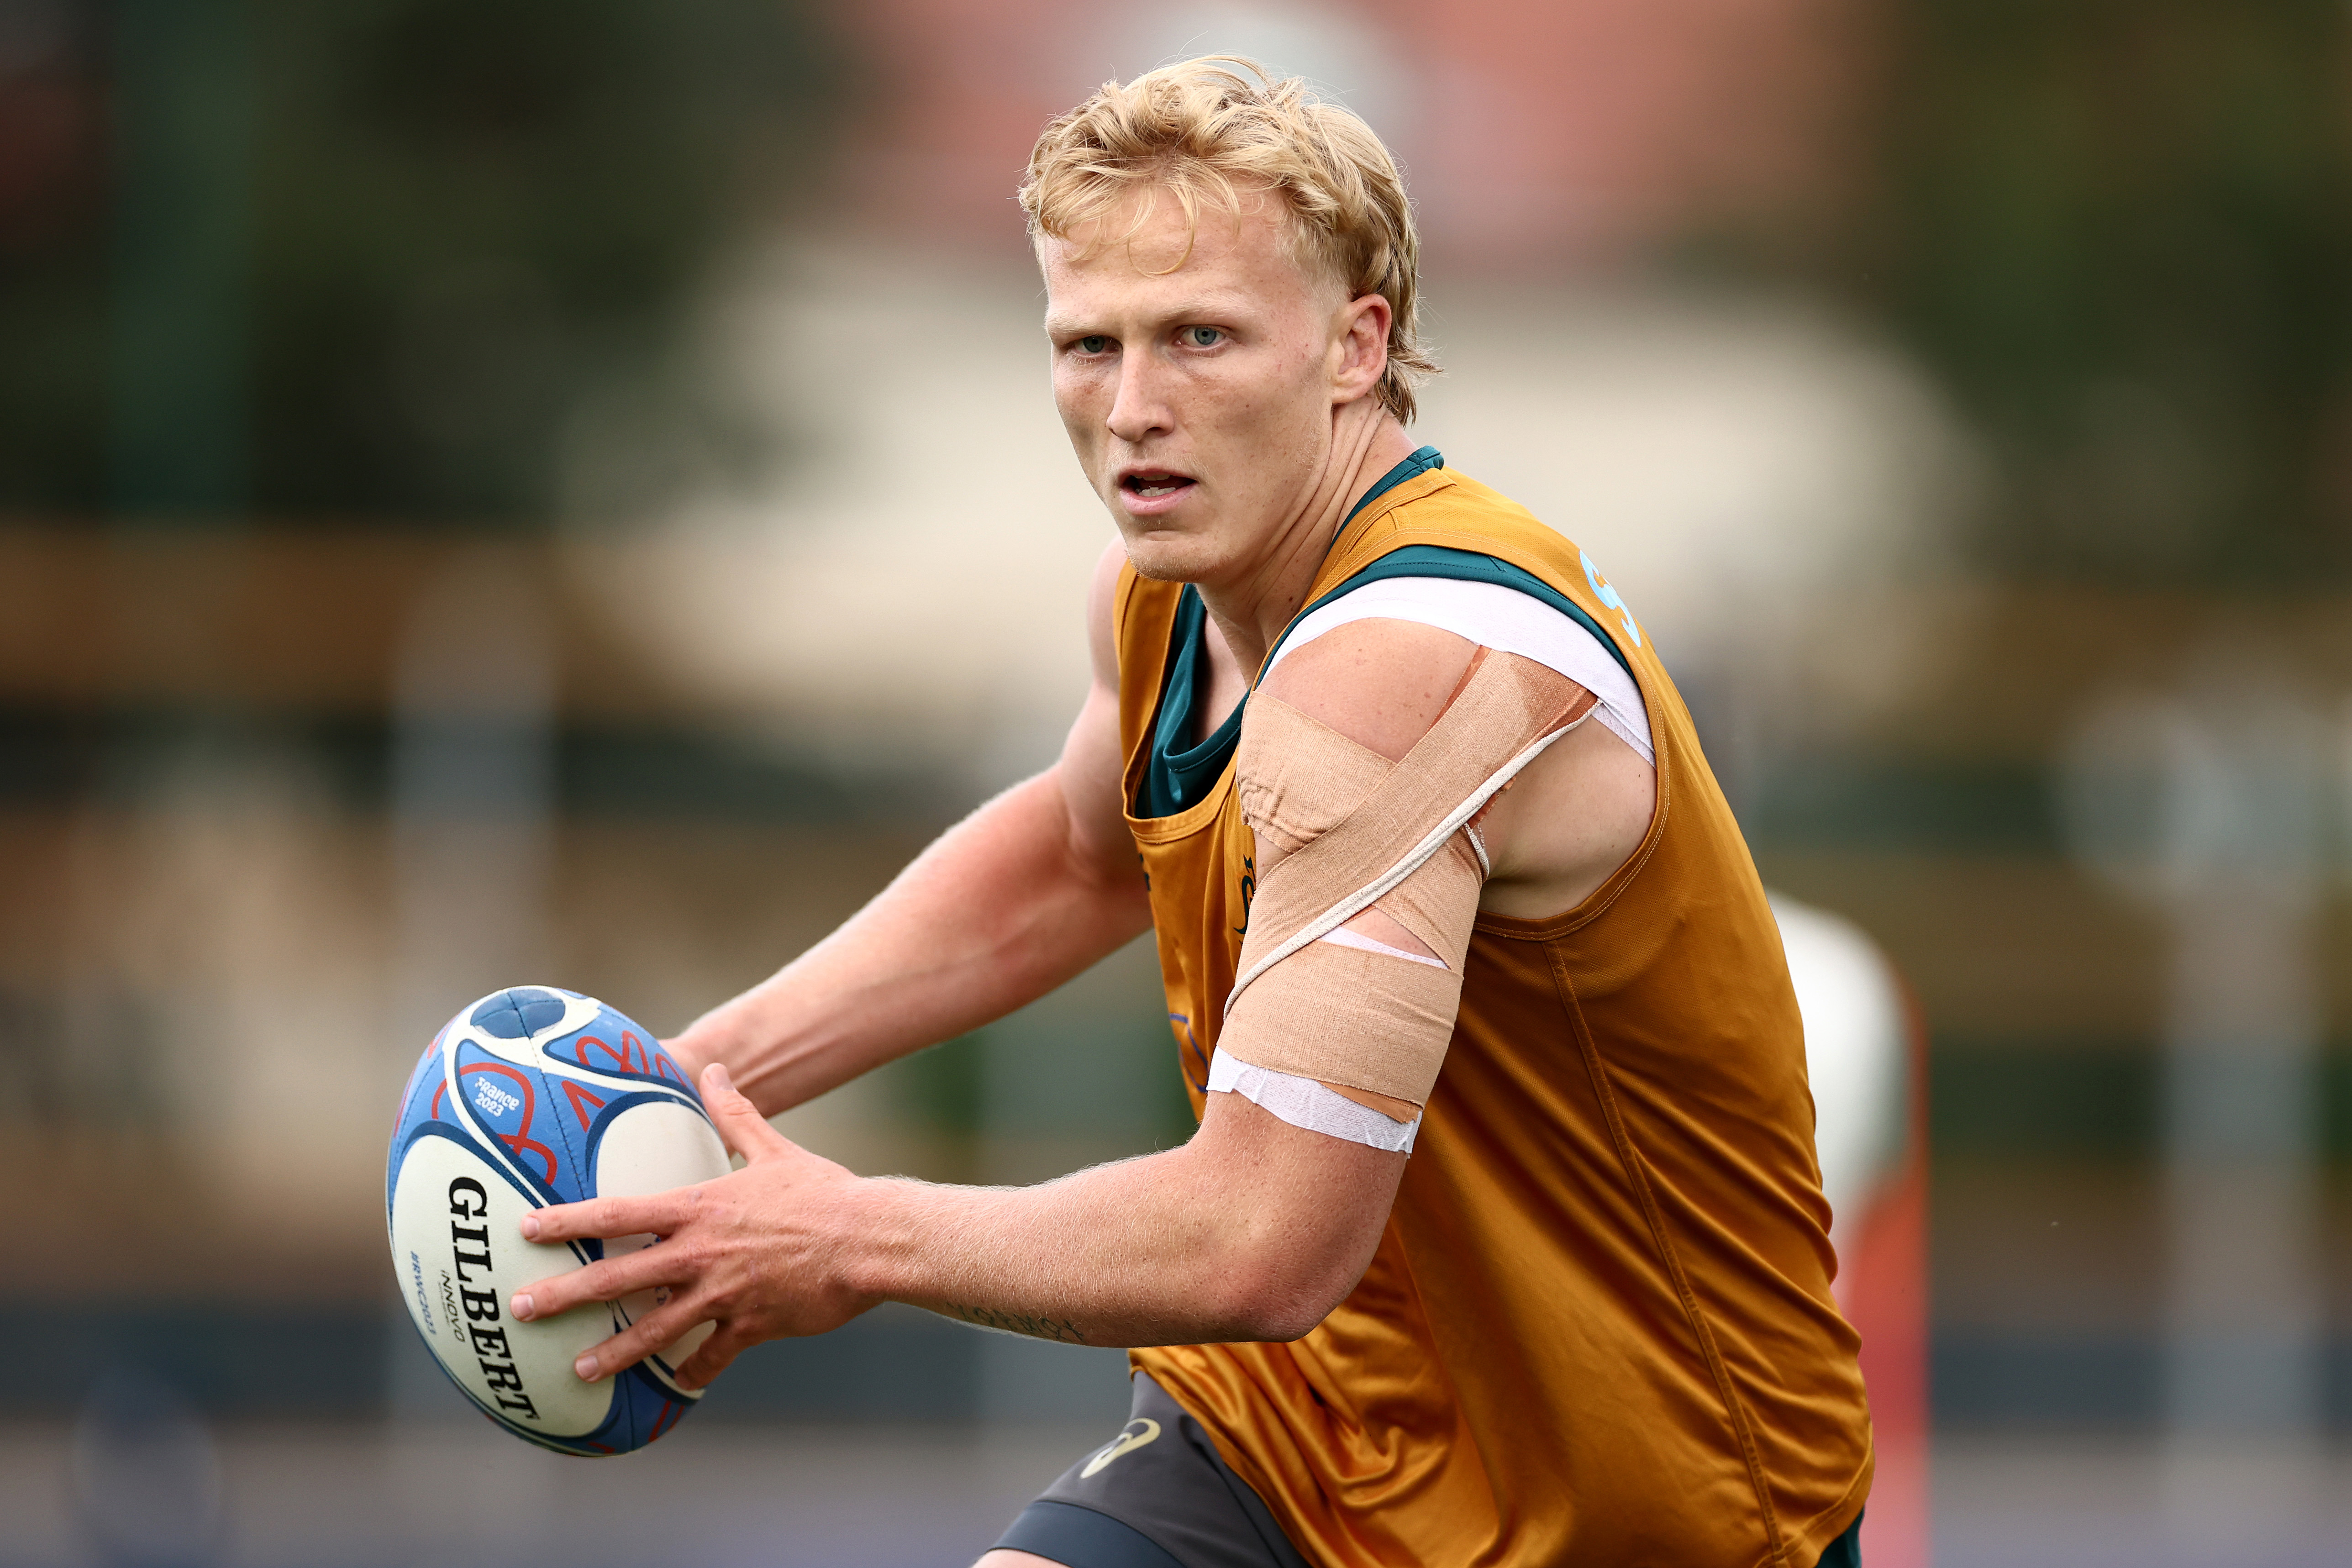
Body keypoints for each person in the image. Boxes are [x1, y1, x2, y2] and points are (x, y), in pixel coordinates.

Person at [510, 58, 1872, 1568]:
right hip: (1301, 1429)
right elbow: (1070, 859)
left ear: (1358, 346)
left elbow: (1262, 1239)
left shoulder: (1407, 668)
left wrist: (847, 1234)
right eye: (1087, 344)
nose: (1134, 410)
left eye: (1200, 337)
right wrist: (684, 1078)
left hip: (1644, 1506)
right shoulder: (1168, 595)